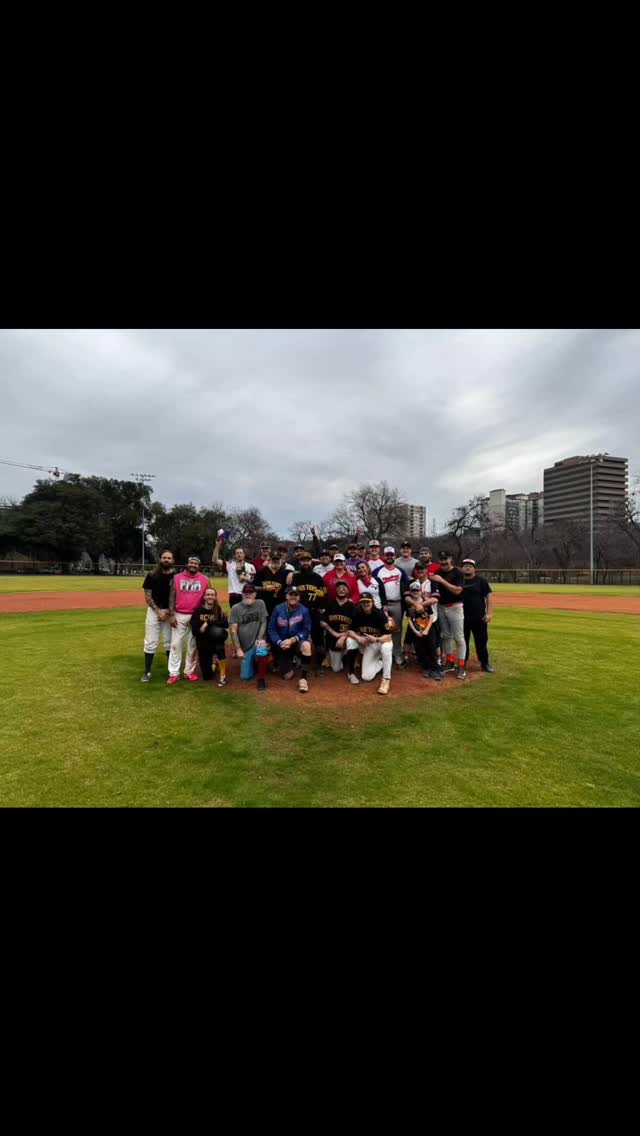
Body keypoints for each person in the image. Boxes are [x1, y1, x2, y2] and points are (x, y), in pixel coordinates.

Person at [167, 556, 211, 685]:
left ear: (199, 566)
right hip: (180, 614)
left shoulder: (205, 579)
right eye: (191, 563)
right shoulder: (177, 577)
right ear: (187, 564)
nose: (193, 565)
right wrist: (171, 614)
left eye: (195, 563)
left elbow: (209, 595)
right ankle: (174, 673)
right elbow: (172, 596)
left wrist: (208, 614)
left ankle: (189, 672)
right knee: (176, 644)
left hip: (197, 616)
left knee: (193, 645)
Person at [344, 593, 394, 695]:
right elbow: (350, 631)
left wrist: (376, 639)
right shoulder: (357, 613)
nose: (365, 604)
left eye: (368, 601)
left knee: (386, 648)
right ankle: (381, 663)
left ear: (372, 602)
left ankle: (386, 680)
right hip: (369, 645)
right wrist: (358, 638)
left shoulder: (379, 614)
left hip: (381, 642)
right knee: (366, 677)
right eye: (363, 602)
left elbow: (388, 636)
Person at [268, 586, 312, 693]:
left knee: (306, 646)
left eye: (295, 595)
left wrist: (293, 640)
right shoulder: (278, 609)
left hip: (295, 641)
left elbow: (306, 630)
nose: (293, 597)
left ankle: (303, 678)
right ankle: (282, 660)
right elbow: (271, 629)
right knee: (287, 675)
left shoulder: (304, 610)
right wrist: (279, 642)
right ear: (286, 596)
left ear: (299, 597)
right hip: (281, 644)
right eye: (290, 594)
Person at [430, 552, 467, 679]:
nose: (443, 562)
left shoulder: (458, 572)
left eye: (446, 559)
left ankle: (461, 665)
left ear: (450, 559)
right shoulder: (437, 572)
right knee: (446, 636)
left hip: (455, 607)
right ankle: (450, 661)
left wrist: (442, 580)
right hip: (441, 607)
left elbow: (457, 590)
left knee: (459, 637)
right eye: (441, 559)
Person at [141, 550, 175, 683]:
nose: (166, 560)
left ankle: (171, 671)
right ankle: (147, 671)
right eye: (164, 557)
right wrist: (158, 611)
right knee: (150, 642)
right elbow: (147, 596)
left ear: (173, 561)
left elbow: (176, 597)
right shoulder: (152, 575)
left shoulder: (175, 577)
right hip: (154, 611)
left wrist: (168, 612)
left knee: (169, 642)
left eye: (169, 558)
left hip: (170, 612)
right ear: (160, 559)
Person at [292, 550, 329, 674]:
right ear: (300, 562)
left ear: (311, 562)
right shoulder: (295, 577)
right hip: (298, 613)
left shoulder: (318, 578)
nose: (306, 563)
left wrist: (321, 607)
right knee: (297, 637)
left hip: (313, 612)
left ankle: (319, 664)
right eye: (303, 560)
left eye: (308, 560)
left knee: (318, 639)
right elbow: (289, 594)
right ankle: (298, 660)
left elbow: (324, 596)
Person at [229, 583, 270, 690]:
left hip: (257, 641)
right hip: (244, 646)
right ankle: (255, 663)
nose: (248, 595)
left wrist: (260, 638)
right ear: (242, 594)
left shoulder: (260, 603)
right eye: (245, 592)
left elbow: (263, 622)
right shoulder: (236, 608)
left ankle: (261, 679)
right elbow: (233, 630)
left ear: (255, 594)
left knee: (262, 649)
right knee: (245, 677)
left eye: (250, 592)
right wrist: (238, 649)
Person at [375, 547, 411, 667]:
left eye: (391, 555)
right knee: (381, 628)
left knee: (397, 630)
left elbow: (406, 588)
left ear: (394, 556)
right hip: (382, 604)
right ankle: (381, 655)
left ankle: (396, 654)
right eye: (387, 555)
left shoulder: (400, 571)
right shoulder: (377, 571)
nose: (389, 557)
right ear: (383, 556)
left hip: (397, 603)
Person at [191, 588, 229, 687]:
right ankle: (214, 664)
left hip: (216, 641)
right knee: (207, 676)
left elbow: (226, 624)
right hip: (203, 643)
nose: (210, 596)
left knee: (219, 642)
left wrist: (208, 622)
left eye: (212, 595)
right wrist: (200, 630)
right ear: (204, 597)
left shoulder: (219, 610)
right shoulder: (198, 611)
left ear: (215, 597)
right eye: (208, 594)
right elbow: (194, 631)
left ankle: (223, 675)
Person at [461, 559, 495, 673]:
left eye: (470, 566)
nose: (467, 568)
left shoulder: (481, 581)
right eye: (465, 566)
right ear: (462, 568)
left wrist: (489, 613)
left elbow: (489, 597)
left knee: (481, 641)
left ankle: (484, 663)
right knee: (463, 641)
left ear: (474, 568)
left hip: (479, 617)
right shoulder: (458, 580)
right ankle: (463, 662)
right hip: (462, 617)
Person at [319, 579, 358, 674]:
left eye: (344, 588)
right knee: (336, 669)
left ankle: (351, 657)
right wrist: (335, 634)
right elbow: (322, 623)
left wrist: (343, 636)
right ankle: (334, 656)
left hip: (346, 637)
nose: (341, 590)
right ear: (336, 590)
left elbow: (355, 626)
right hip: (333, 639)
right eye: (339, 588)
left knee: (352, 642)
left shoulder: (352, 606)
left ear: (348, 591)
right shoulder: (329, 604)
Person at [405, 582, 441, 680]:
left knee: (431, 648)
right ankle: (425, 668)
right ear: (410, 592)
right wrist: (415, 631)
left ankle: (435, 669)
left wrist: (427, 630)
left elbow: (431, 616)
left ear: (420, 591)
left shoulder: (425, 601)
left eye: (417, 590)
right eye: (413, 591)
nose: (415, 592)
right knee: (420, 649)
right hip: (417, 629)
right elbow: (409, 619)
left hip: (428, 628)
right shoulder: (409, 603)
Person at [212, 536, 254, 608]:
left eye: (241, 553)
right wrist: (217, 546)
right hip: (233, 595)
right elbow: (215, 560)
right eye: (237, 553)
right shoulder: (230, 565)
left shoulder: (250, 566)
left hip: (246, 594)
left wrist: (242, 575)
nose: (239, 554)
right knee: (235, 616)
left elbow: (252, 580)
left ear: (244, 554)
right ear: (235, 555)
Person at [254, 551, 291, 615]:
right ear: (270, 560)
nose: (276, 561)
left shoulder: (286, 572)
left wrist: (292, 573)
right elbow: (253, 587)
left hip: (280, 606)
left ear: (281, 560)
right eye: (273, 559)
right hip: (264, 605)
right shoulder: (262, 571)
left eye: (277, 559)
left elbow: (300, 574)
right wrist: (264, 588)